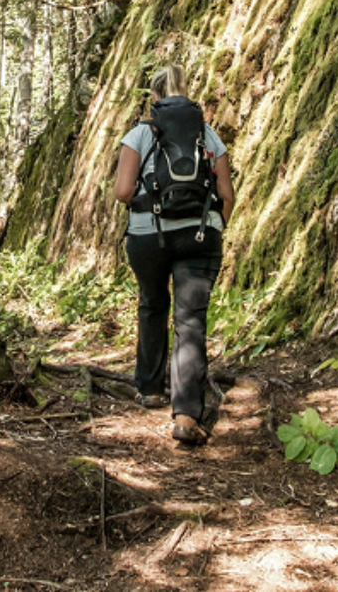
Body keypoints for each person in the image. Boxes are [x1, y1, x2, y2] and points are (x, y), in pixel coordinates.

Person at [113, 64, 236, 445]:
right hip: (200, 236)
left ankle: (150, 389)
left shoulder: (139, 134)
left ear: (154, 98)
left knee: (152, 303)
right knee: (190, 321)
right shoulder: (208, 134)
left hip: (149, 237)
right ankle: (185, 415)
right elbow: (226, 195)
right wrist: (213, 227)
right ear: (187, 92)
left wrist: (152, 206)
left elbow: (122, 191)